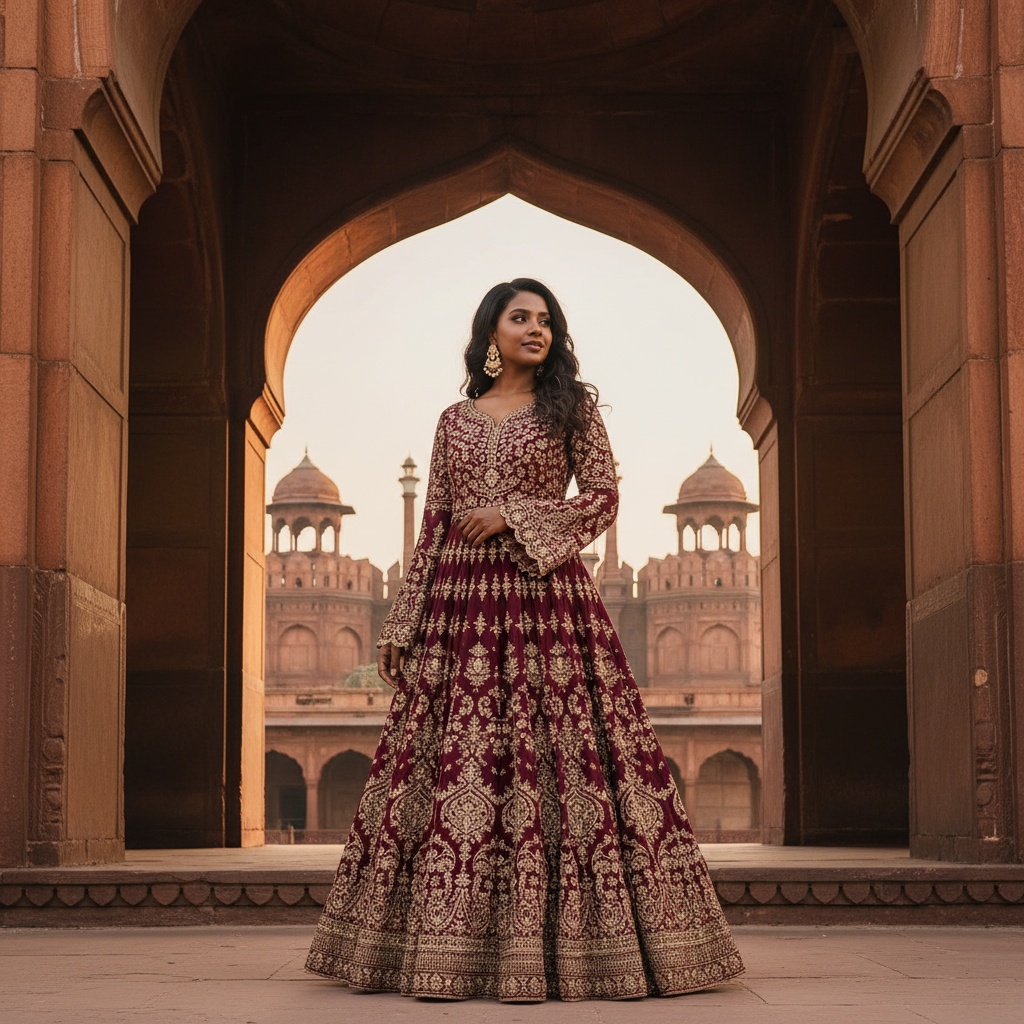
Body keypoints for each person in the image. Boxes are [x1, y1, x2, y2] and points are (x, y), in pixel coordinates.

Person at [305, 278, 744, 1001]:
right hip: (460, 611)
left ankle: (578, 947)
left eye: (546, 320)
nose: (535, 329)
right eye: (521, 318)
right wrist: (403, 623)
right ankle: (446, 947)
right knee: (460, 770)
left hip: (549, 606)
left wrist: (514, 516)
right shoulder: (453, 421)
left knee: (561, 768)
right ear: (491, 334)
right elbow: (435, 524)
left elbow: (602, 497)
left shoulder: (571, 409)